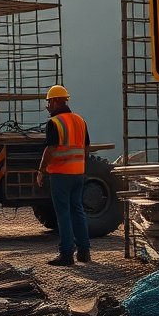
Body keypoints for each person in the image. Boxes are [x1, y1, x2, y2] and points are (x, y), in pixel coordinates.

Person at [36, 84, 91, 266]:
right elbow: (86, 147)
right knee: (78, 211)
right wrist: (82, 166)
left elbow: (50, 149)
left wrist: (41, 171)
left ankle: (66, 254)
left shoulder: (55, 123)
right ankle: (84, 253)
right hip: (78, 174)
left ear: (55, 101)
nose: (48, 106)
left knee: (63, 214)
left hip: (60, 174)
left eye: (48, 102)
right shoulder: (80, 120)